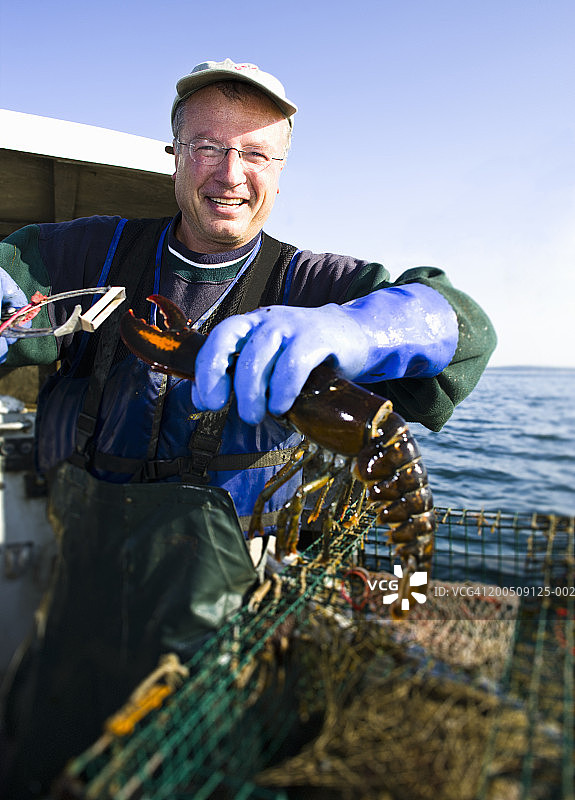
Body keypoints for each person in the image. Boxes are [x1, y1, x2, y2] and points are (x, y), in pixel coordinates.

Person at [0, 59, 496, 797]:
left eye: (255, 152)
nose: (229, 173)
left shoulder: (319, 284)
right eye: (206, 146)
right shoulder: (89, 252)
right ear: (174, 155)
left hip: (226, 627)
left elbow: (465, 326)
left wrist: (364, 326)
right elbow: (15, 276)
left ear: (280, 167)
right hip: (77, 606)